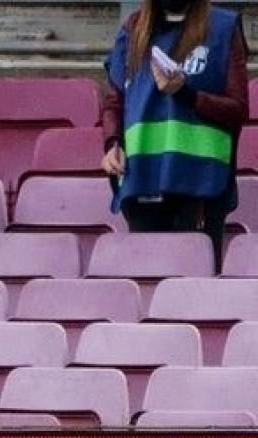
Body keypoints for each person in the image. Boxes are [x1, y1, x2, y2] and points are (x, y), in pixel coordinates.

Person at [102, 0, 249, 267]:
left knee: (193, 290)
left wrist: (186, 94)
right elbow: (115, 102)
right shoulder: (133, 29)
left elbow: (237, 110)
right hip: (142, 183)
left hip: (200, 188)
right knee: (148, 282)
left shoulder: (223, 28)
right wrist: (112, 143)